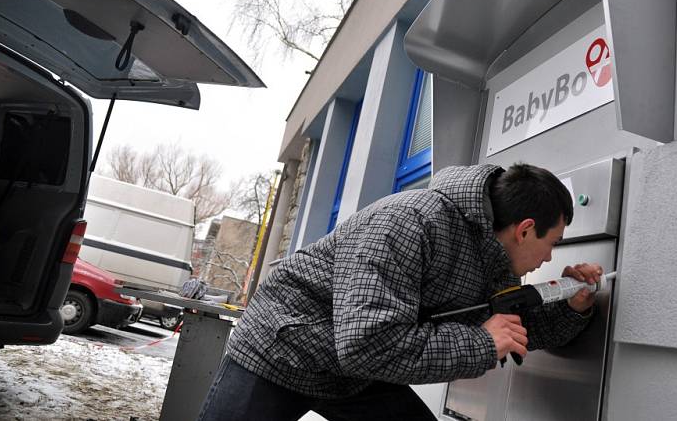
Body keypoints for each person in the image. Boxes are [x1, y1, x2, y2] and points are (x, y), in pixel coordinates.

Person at [199, 163, 605, 420]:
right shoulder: (408, 222)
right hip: (283, 351)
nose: (549, 258)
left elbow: (513, 329)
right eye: (553, 243)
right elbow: (366, 342)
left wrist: (573, 306)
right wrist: (482, 342)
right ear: (525, 229)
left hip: (353, 376)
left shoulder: (496, 259)